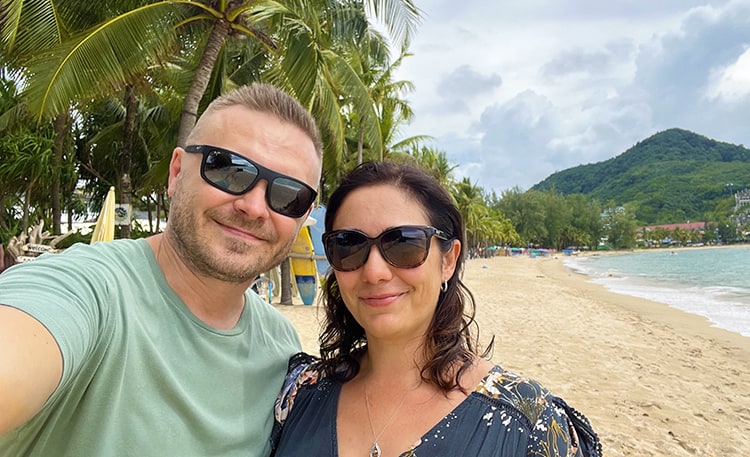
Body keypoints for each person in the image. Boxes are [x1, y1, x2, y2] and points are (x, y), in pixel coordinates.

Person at [0, 83, 323, 457]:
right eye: (229, 170)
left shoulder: (280, 344)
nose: (253, 207)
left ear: (303, 218)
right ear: (175, 173)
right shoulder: (91, 290)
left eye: (289, 195)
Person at [272, 161, 601, 457]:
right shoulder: (300, 393)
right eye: (348, 245)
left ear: (447, 260)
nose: (374, 272)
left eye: (402, 243)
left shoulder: (529, 424)